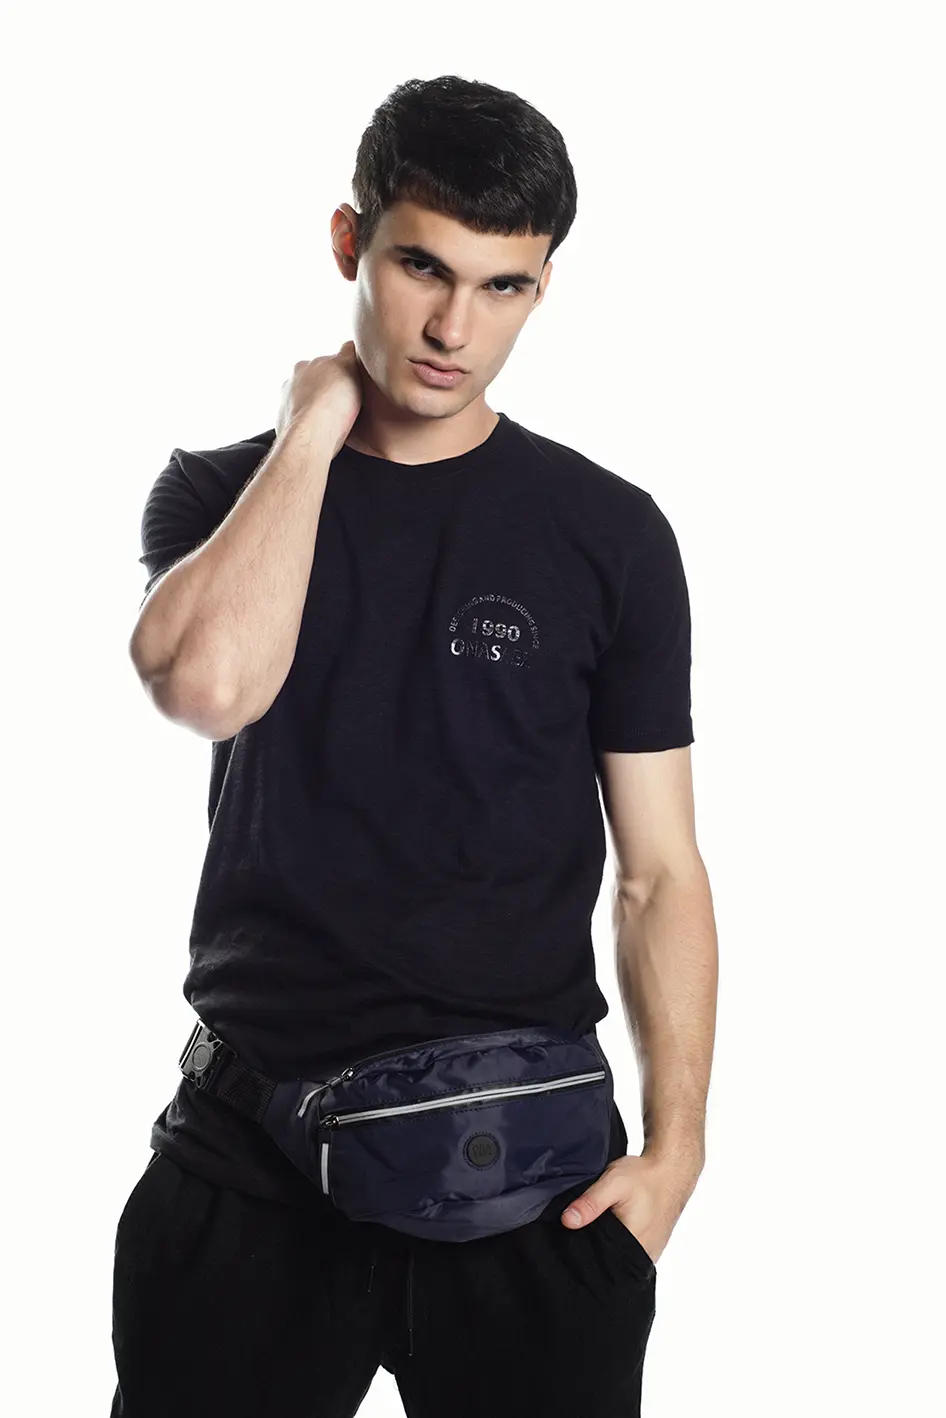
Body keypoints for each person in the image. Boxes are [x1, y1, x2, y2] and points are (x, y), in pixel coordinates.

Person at [111, 73, 718, 1418]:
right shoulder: (219, 492)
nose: (453, 328)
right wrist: (313, 431)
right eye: (421, 268)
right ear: (351, 243)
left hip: (528, 1171)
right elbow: (207, 685)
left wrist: (676, 1154)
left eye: (503, 288)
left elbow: (659, 872)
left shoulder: (608, 534)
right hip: (250, 1159)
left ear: (542, 288)